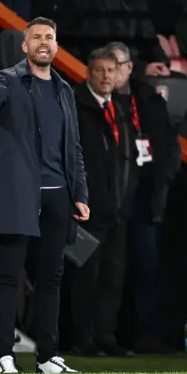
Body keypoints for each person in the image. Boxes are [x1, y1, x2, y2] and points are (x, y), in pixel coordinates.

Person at [0, 16, 88, 374]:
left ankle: (47, 356)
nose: (43, 42)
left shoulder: (65, 90)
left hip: (58, 195)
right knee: (9, 276)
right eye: (36, 36)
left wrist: (80, 192)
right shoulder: (8, 80)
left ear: (56, 46)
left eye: (49, 37)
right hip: (20, 195)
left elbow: (75, 149)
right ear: (25, 46)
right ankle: (4, 355)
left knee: (51, 278)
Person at [105, 41, 181, 354]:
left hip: (146, 195)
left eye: (117, 66)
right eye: (106, 67)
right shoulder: (96, 101)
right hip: (110, 197)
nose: (112, 72)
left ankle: (147, 334)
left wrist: (165, 178)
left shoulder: (148, 99)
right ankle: (104, 334)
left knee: (147, 265)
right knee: (109, 267)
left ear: (129, 68)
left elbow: (170, 145)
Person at [71, 48, 129, 356]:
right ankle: (83, 338)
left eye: (111, 70)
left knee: (112, 278)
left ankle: (106, 335)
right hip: (86, 210)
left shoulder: (118, 109)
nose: (106, 76)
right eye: (100, 70)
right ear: (88, 73)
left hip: (116, 211)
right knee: (85, 278)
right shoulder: (76, 108)